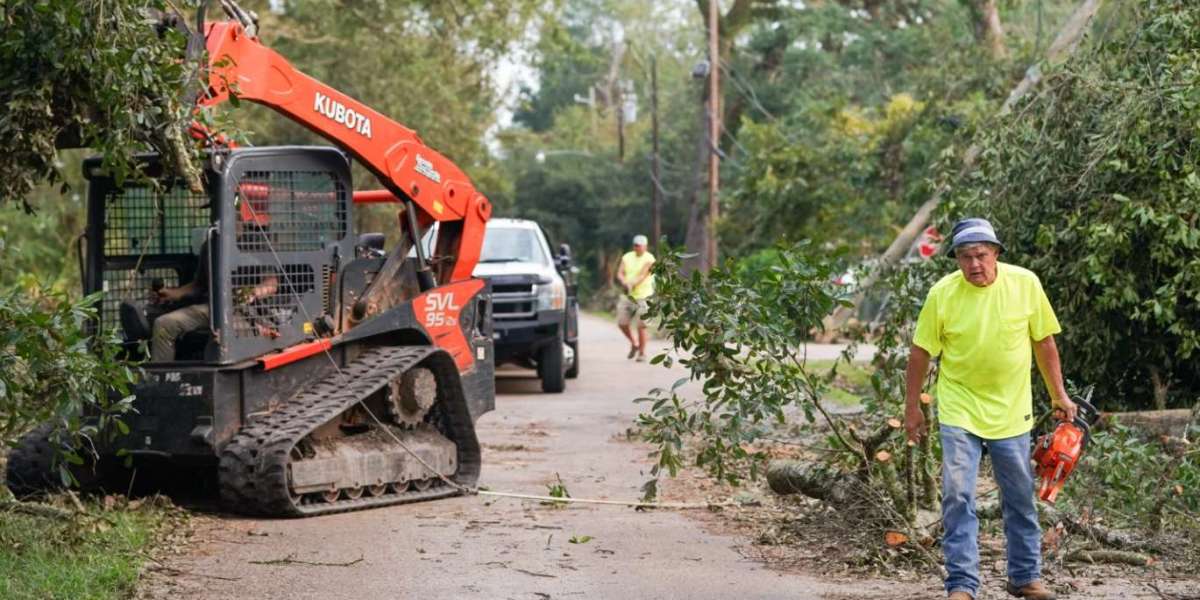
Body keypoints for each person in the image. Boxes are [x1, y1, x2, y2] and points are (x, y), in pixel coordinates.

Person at [905, 218, 1077, 600]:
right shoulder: (942, 294)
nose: (974, 265)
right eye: (965, 257)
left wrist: (1058, 395)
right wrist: (912, 407)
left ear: (996, 253)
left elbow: (1044, 341)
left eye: (981, 255)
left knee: (1018, 496)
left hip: (1012, 410)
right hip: (959, 408)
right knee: (957, 495)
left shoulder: (1025, 283)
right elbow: (920, 353)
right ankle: (962, 584)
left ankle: (1024, 577)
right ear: (956, 260)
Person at [616, 234, 655, 362]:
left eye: (640, 245)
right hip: (628, 296)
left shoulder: (649, 258)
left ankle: (642, 353)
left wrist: (631, 284)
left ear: (645, 246)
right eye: (635, 245)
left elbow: (643, 275)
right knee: (622, 323)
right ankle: (634, 343)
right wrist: (623, 281)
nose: (637, 247)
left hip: (644, 296)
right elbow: (620, 272)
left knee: (641, 325)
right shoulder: (627, 257)